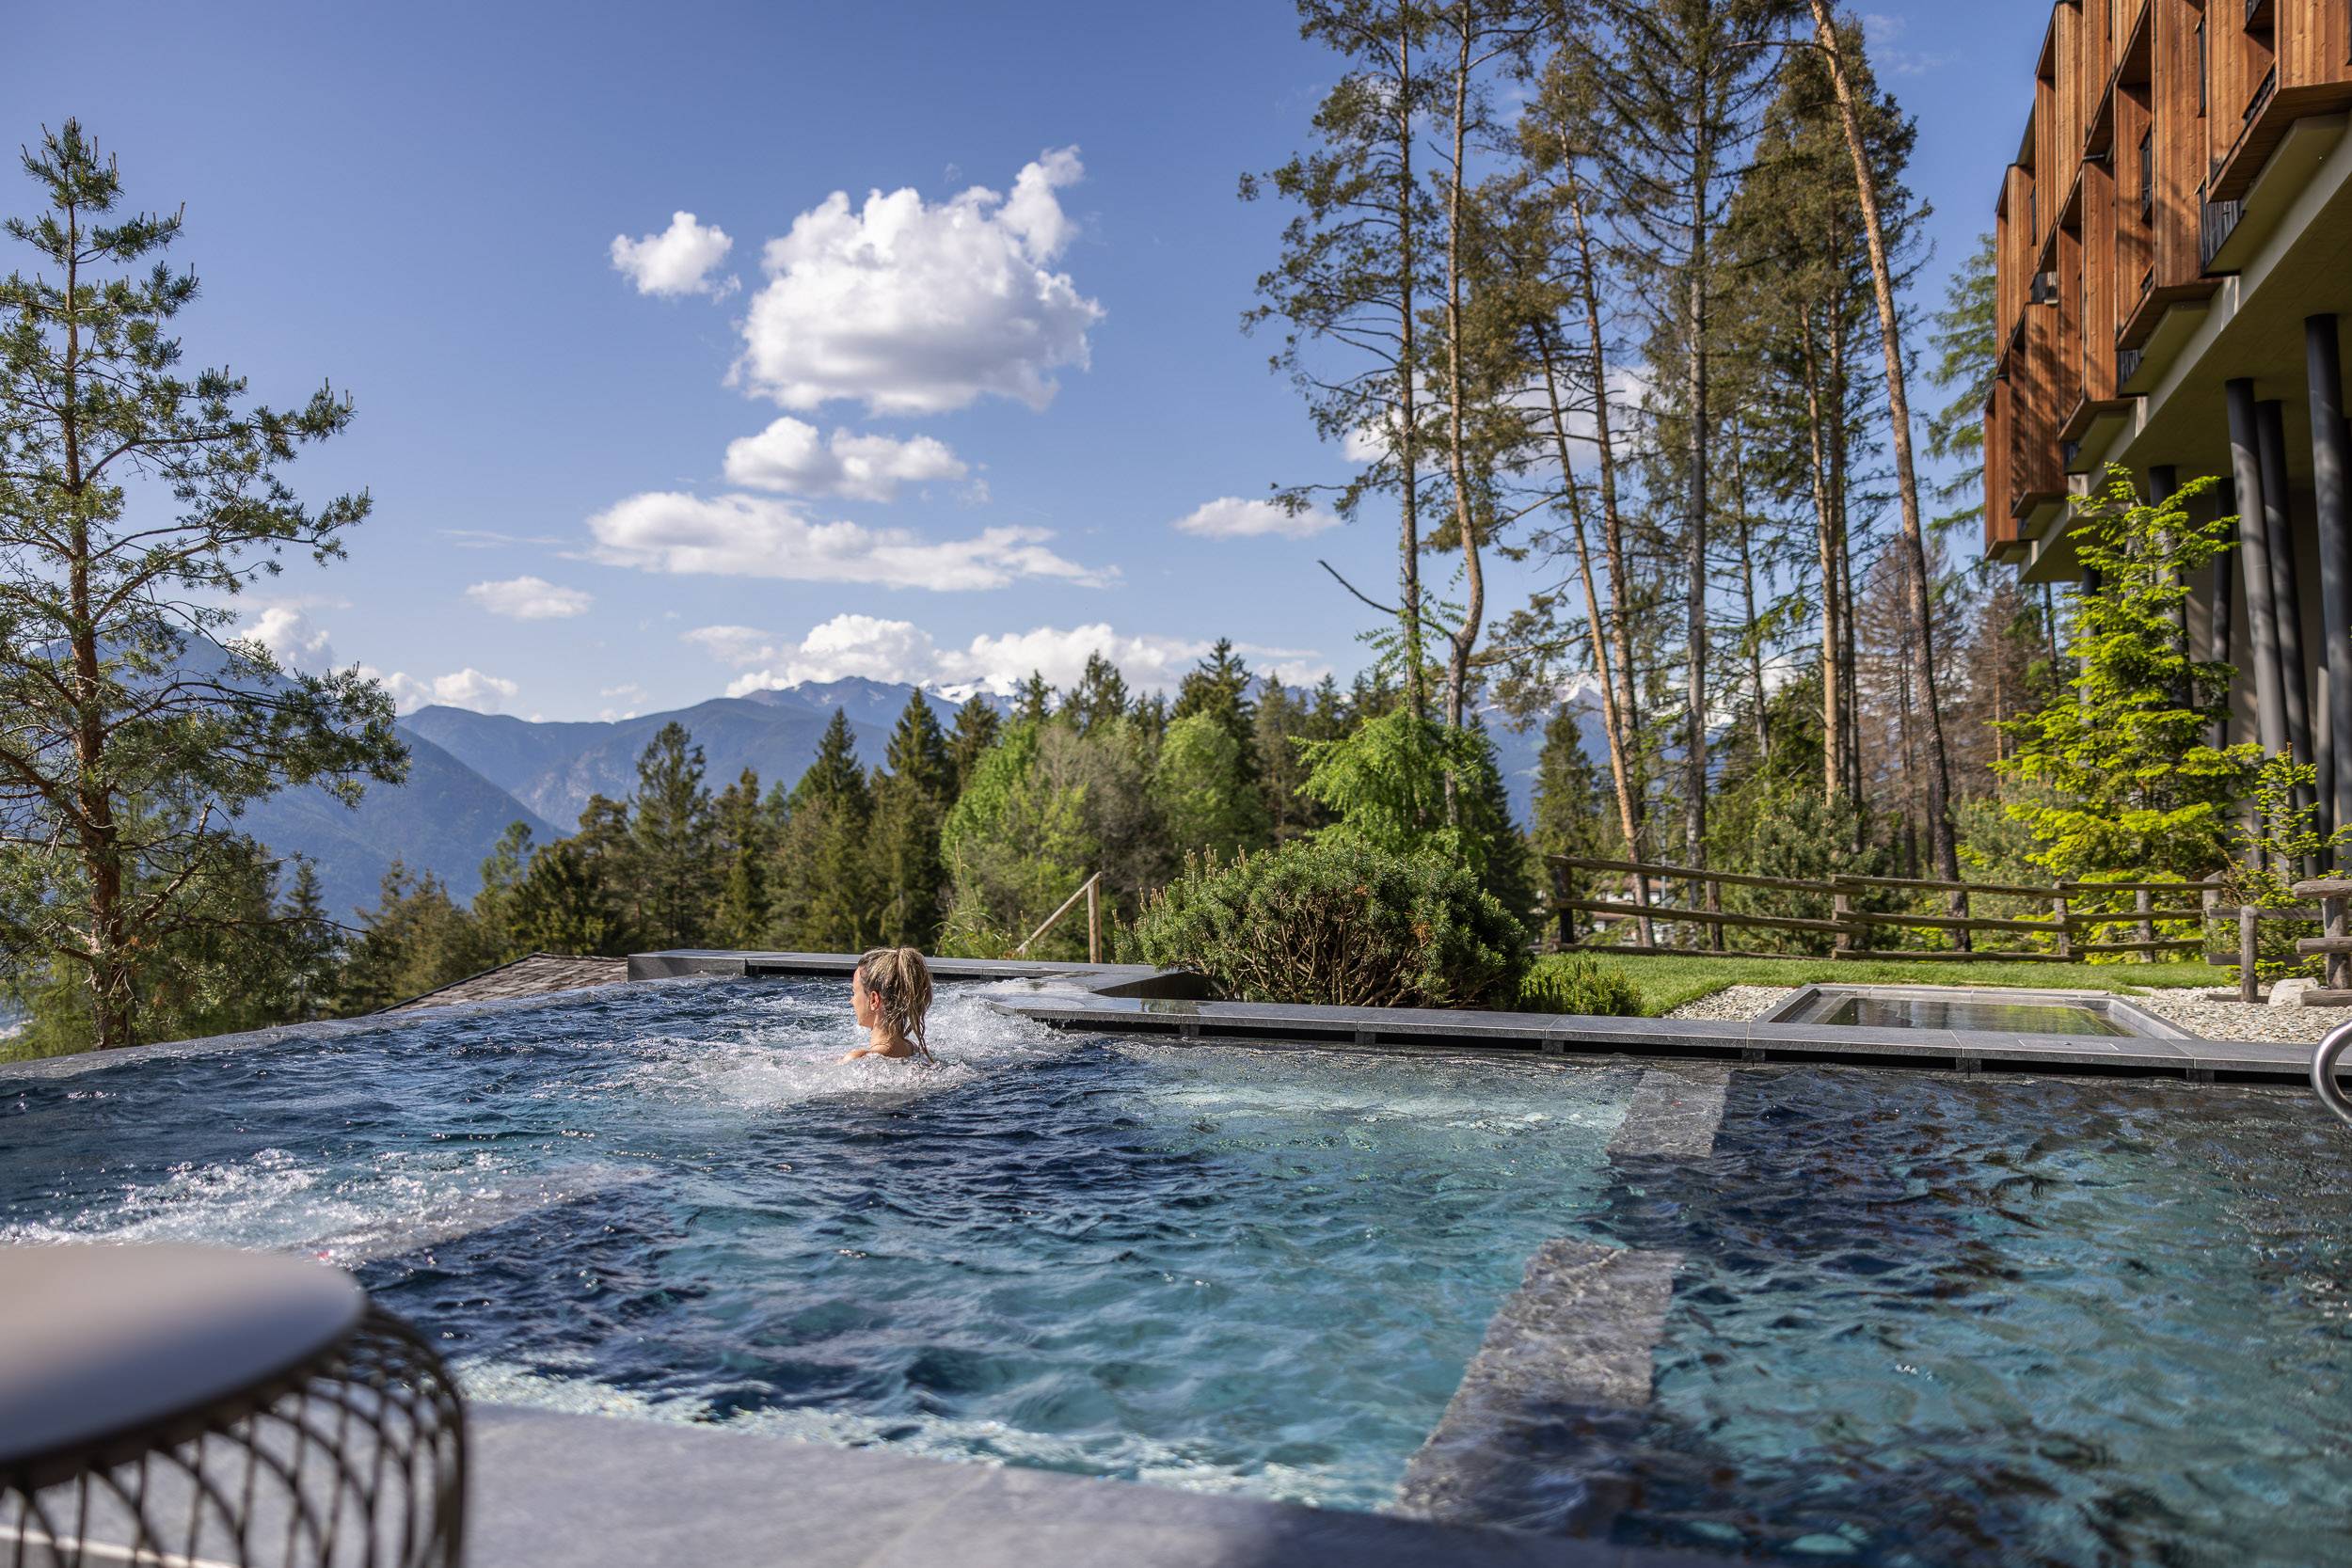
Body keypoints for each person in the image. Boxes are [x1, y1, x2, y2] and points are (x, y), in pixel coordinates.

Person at [839, 946, 936, 1063]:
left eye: (854, 992)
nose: (851, 1001)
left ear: (874, 1000)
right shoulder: (914, 1050)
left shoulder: (859, 1059)